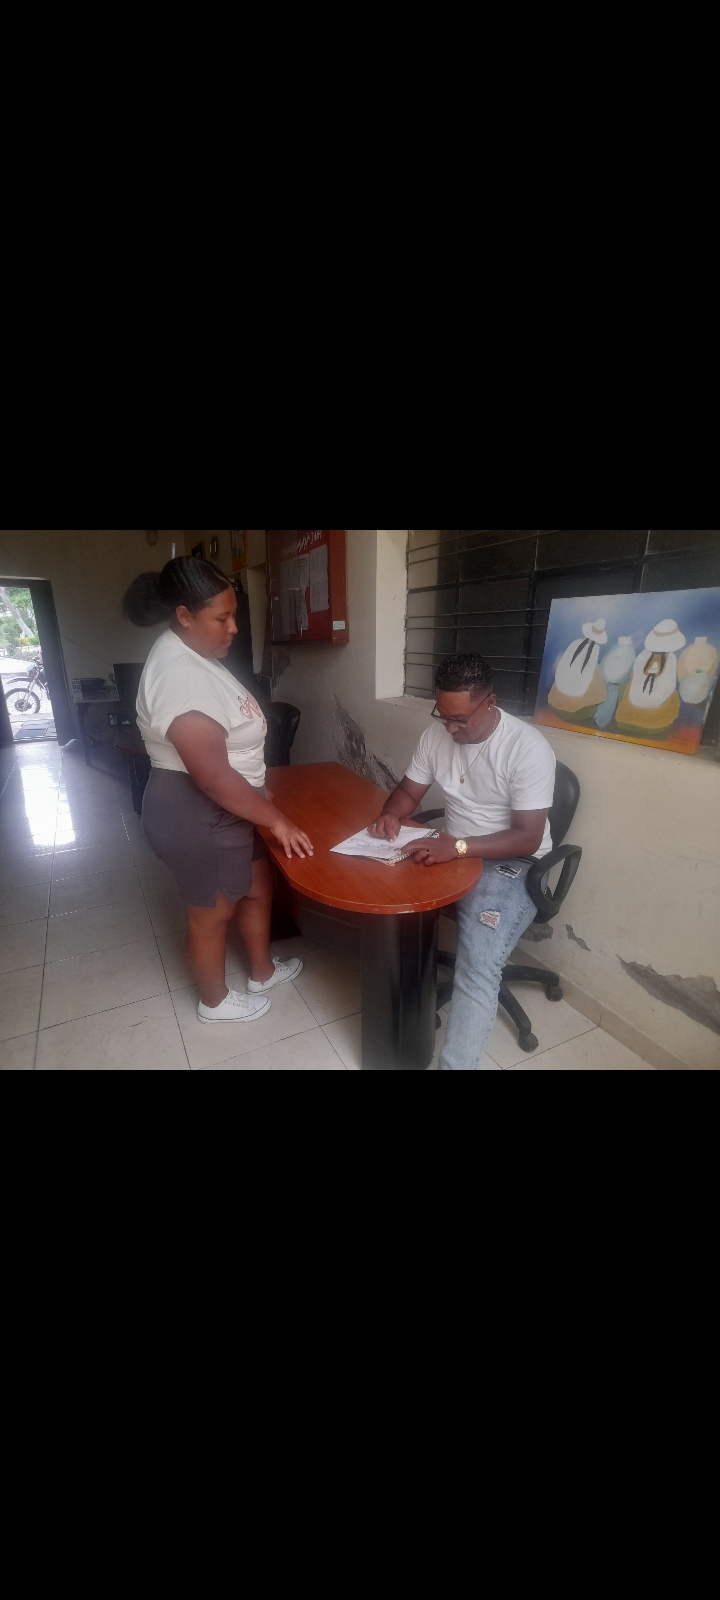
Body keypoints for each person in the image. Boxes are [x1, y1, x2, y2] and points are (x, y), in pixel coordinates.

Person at [123, 557, 313, 1026]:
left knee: (257, 889)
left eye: (234, 616)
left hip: (237, 805)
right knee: (212, 912)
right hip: (198, 812)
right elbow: (210, 776)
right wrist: (276, 820)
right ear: (184, 616)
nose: (233, 629)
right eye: (222, 618)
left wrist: (260, 803)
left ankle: (262, 972)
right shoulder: (179, 676)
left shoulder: (198, 654)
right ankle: (214, 1002)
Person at [368, 654, 556, 1070]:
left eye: (460, 720)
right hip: (454, 849)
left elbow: (527, 835)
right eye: (443, 716)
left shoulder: (527, 748)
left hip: (515, 862)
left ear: (490, 702)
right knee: (382, 890)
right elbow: (409, 792)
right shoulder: (436, 736)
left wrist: (456, 848)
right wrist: (391, 814)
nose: (450, 729)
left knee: (479, 964)